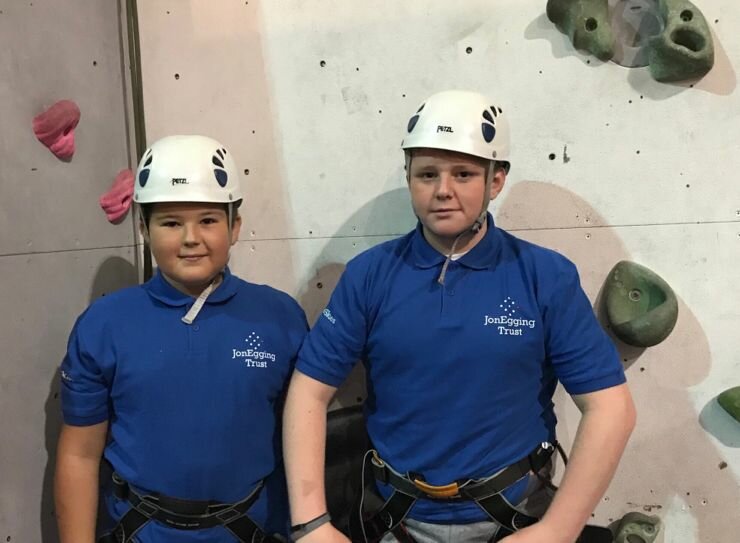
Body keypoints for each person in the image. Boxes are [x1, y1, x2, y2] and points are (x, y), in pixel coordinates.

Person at [282, 90, 636, 543]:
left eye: (463, 173)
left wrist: (558, 529)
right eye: (427, 173)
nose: (443, 190)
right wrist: (310, 523)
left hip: (515, 518)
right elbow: (309, 393)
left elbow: (611, 408)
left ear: (496, 180)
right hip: (397, 520)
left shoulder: (544, 276)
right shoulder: (369, 276)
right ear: (409, 176)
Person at [54, 135, 308, 542]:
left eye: (208, 220)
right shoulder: (104, 325)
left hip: (252, 531)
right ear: (143, 227)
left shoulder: (280, 319)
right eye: (171, 222)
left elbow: (301, 440)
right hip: (140, 532)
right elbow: (79, 455)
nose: (191, 238)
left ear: (235, 225)